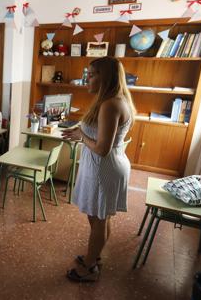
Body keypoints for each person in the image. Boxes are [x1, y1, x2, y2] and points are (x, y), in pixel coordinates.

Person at [61, 56, 135, 282]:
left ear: (106, 77)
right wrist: (81, 131)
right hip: (104, 167)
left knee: (100, 219)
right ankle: (96, 256)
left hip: (104, 169)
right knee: (99, 218)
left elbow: (102, 148)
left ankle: (89, 268)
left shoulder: (110, 104)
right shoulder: (114, 100)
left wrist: (81, 135)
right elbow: (100, 136)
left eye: (91, 75)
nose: (87, 79)